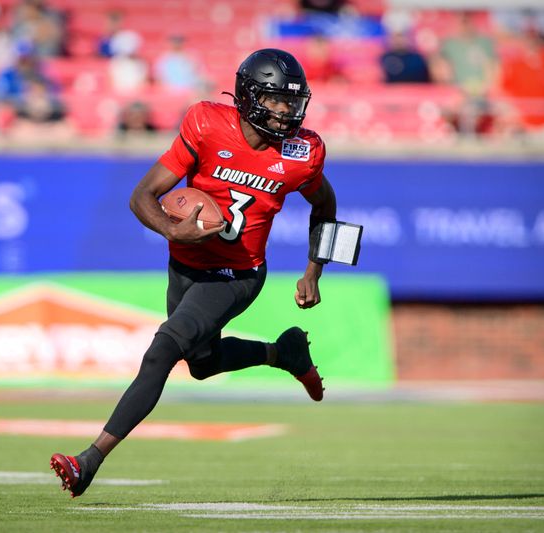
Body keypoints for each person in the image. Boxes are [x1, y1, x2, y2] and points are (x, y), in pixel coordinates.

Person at [50, 48, 336, 498]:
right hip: (185, 264)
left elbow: (325, 204)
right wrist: (171, 230)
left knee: (163, 349)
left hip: (237, 273)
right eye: (275, 100)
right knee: (201, 364)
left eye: (291, 102)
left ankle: (89, 459)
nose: (285, 112)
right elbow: (143, 195)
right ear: (247, 96)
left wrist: (314, 271)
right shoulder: (206, 124)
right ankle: (284, 354)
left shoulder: (303, 153)